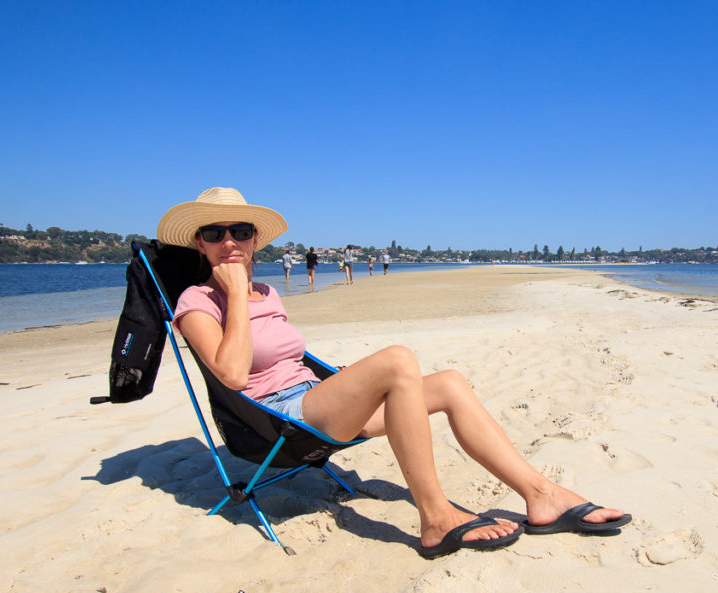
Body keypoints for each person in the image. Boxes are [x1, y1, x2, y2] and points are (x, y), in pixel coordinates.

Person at [157, 187, 630, 558]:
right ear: (199, 243)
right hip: (277, 422)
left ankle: (541, 494)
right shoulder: (196, 301)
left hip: (316, 402)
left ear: (254, 237)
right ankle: (435, 517)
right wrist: (234, 293)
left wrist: (343, 382)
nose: (229, 243)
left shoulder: (267, 291)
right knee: (399, 358)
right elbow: (234, 377)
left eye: (239, 230)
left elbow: (290, 360)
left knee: (449, 383)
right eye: (214, 234)